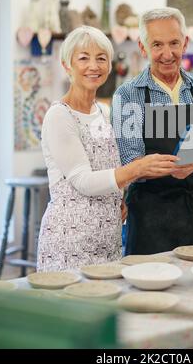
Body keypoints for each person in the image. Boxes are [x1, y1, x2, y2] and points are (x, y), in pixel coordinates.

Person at [37, 26, 178, 271]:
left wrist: (119, 197)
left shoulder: (105, 112)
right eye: (83, 58)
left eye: (101, 58)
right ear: (66, 65)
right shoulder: (60, 116)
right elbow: (83, 180)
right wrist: (137, 169)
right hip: (69, 243)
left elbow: (110, 166)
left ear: (110, 66)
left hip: (107, 241)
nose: (94, 66)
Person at [112, 8, 193, 255]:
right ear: (142, 47)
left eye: (174, 43)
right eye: (157, 45)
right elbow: (129, 162)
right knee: (150, 290)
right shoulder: (128, 96)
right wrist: (171, 169)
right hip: (152, 214)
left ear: (185, 44)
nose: (167, 54)